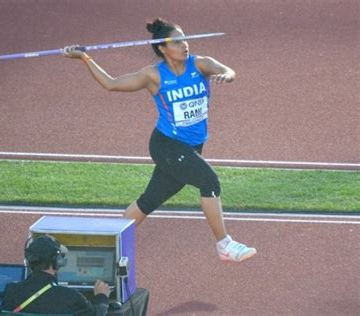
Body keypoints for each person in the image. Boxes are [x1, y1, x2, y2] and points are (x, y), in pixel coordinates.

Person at [62, 17, 256, 262]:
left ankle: (103, 245)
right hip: (166, 145)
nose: (184, 45)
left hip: (192, 146)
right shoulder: (153, 75)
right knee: (210, 182)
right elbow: (111, 84)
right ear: (163, 48)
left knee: (148, 201)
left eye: (185, 39)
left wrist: (226, 76)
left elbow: (228, 70)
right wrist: (84, 58)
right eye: (177, 42)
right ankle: (224, 245)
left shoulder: (201, 64)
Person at [1, 235, 110, 315]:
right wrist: (102, 296)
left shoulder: (11, 291)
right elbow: (96, 314)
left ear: (28, 261)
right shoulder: (70, 296)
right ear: (57, 261)